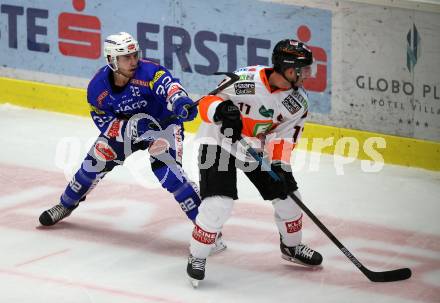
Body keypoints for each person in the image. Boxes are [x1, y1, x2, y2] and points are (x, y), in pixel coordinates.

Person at [39, 32, 225, 253]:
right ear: (112, 61)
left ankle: (208, 230)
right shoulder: (97, 89)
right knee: (93, 164)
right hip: (126, 132)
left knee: (169, 174)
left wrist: (180, 102)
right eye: (126, 57)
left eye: (134, 54)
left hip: (163, 128)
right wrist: (134, 129)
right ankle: (65, 204)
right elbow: (106, 124)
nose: (133, 60)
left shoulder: (150, 72)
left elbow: (170, 87)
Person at [186, 39, 322, 287]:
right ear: (288, 69)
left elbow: (284, 138)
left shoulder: (298, 102)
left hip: (256, 150)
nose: (307, 75)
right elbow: (206, 102)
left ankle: (291, 247)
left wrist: (280, 166)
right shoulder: (245, 79)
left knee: (290, 198)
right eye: (303, 70)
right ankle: (197, 256)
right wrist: (221, 112)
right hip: (220, 142)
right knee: (219, 203)